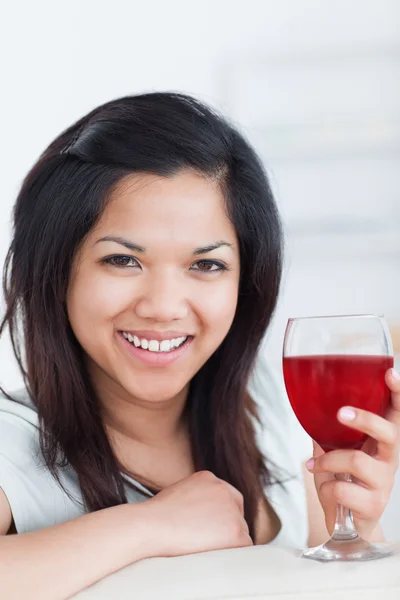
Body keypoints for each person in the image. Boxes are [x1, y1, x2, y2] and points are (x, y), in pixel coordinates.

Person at [0, 92, 399, 599]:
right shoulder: (13, 441)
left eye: (206, 265)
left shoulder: (269, 408)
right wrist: (151, 526)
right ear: (58, 271)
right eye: (123, 260)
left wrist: (358, 523)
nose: (165, 306)